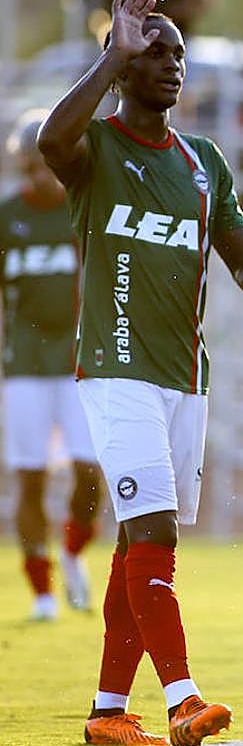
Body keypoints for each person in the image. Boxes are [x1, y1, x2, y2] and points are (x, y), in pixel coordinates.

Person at [38, 0, 243, 746]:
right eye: (152, 51)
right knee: (152, 527)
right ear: (125, 66)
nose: (170, 64)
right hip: (115, 368)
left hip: (184, 379)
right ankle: (183, 698)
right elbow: (50, 144)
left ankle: (106, 713)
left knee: (138, 545)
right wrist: (108, 55)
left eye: (177, 54)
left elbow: (242, 257)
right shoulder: (97, 148)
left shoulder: (204, 163)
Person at [2, 111, 103, 621]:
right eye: (28, 168)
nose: (38, 178)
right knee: (31, 478)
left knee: (90, 472)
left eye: (45, 167)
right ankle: (41, 591)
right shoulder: (7, 216)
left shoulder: (83, 208)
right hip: (22, 365)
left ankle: (72, 551)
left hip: (77, 363)